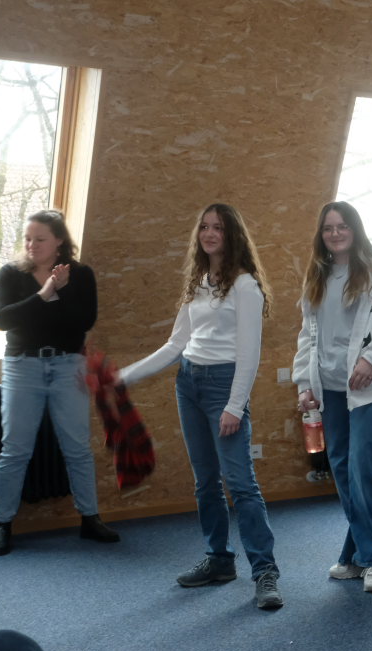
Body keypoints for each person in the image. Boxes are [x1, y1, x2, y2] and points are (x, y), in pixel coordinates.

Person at [115, 203, 283, 610]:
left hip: (224, 386)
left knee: (241, 484)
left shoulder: (245, 285)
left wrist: (235, 406)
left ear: (232, 235)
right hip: (188, 383)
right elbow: (177, 344)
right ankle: (219, 560)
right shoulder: (199, 281)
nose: (209, 233)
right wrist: (124, 376)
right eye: (205, 227)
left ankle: (265, 571)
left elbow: (249, 353)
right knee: (205, 481)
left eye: (218, 228)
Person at [293, 201, 372, 593]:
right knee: (343, 470)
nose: (336, 233)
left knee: (365, 467)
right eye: (328, 228)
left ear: (356, 229)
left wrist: (370, 359)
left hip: (371, 387)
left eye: (343, 226)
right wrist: (304, 383)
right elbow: (308, 336)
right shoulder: (318, 276)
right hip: (330, 387)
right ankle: (359, 552)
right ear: (321, 234)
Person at [0, 210, 119, 556]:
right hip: (22, 367)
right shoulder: (11, 274)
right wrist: (47, 291)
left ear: (59, 240)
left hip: (68, 366)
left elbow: (82, 322)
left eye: (40, 239)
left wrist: (54, 297)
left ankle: (90, 519)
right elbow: (5, 319)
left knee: (77, 448)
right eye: (28, 238)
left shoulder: (81, 275)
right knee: (15, 449)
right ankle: (2, 525)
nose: (31, 245)